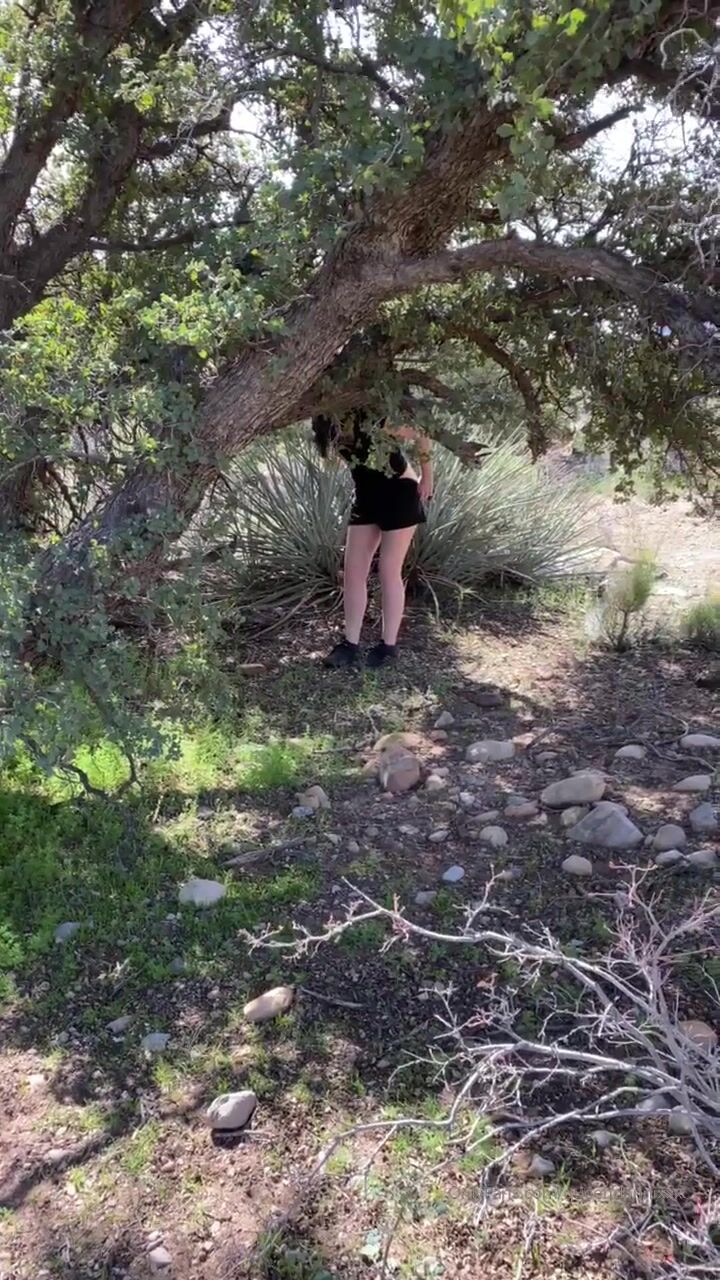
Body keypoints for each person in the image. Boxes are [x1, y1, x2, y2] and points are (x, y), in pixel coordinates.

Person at [311, 408, 433, 668]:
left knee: (389, 570)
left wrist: (427, 476)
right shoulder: (326, 423)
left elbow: (421, 432)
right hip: (366, 497)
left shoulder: (374, 421)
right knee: (353, 572)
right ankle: (350, 644)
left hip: (399, 493)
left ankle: (388, 646)